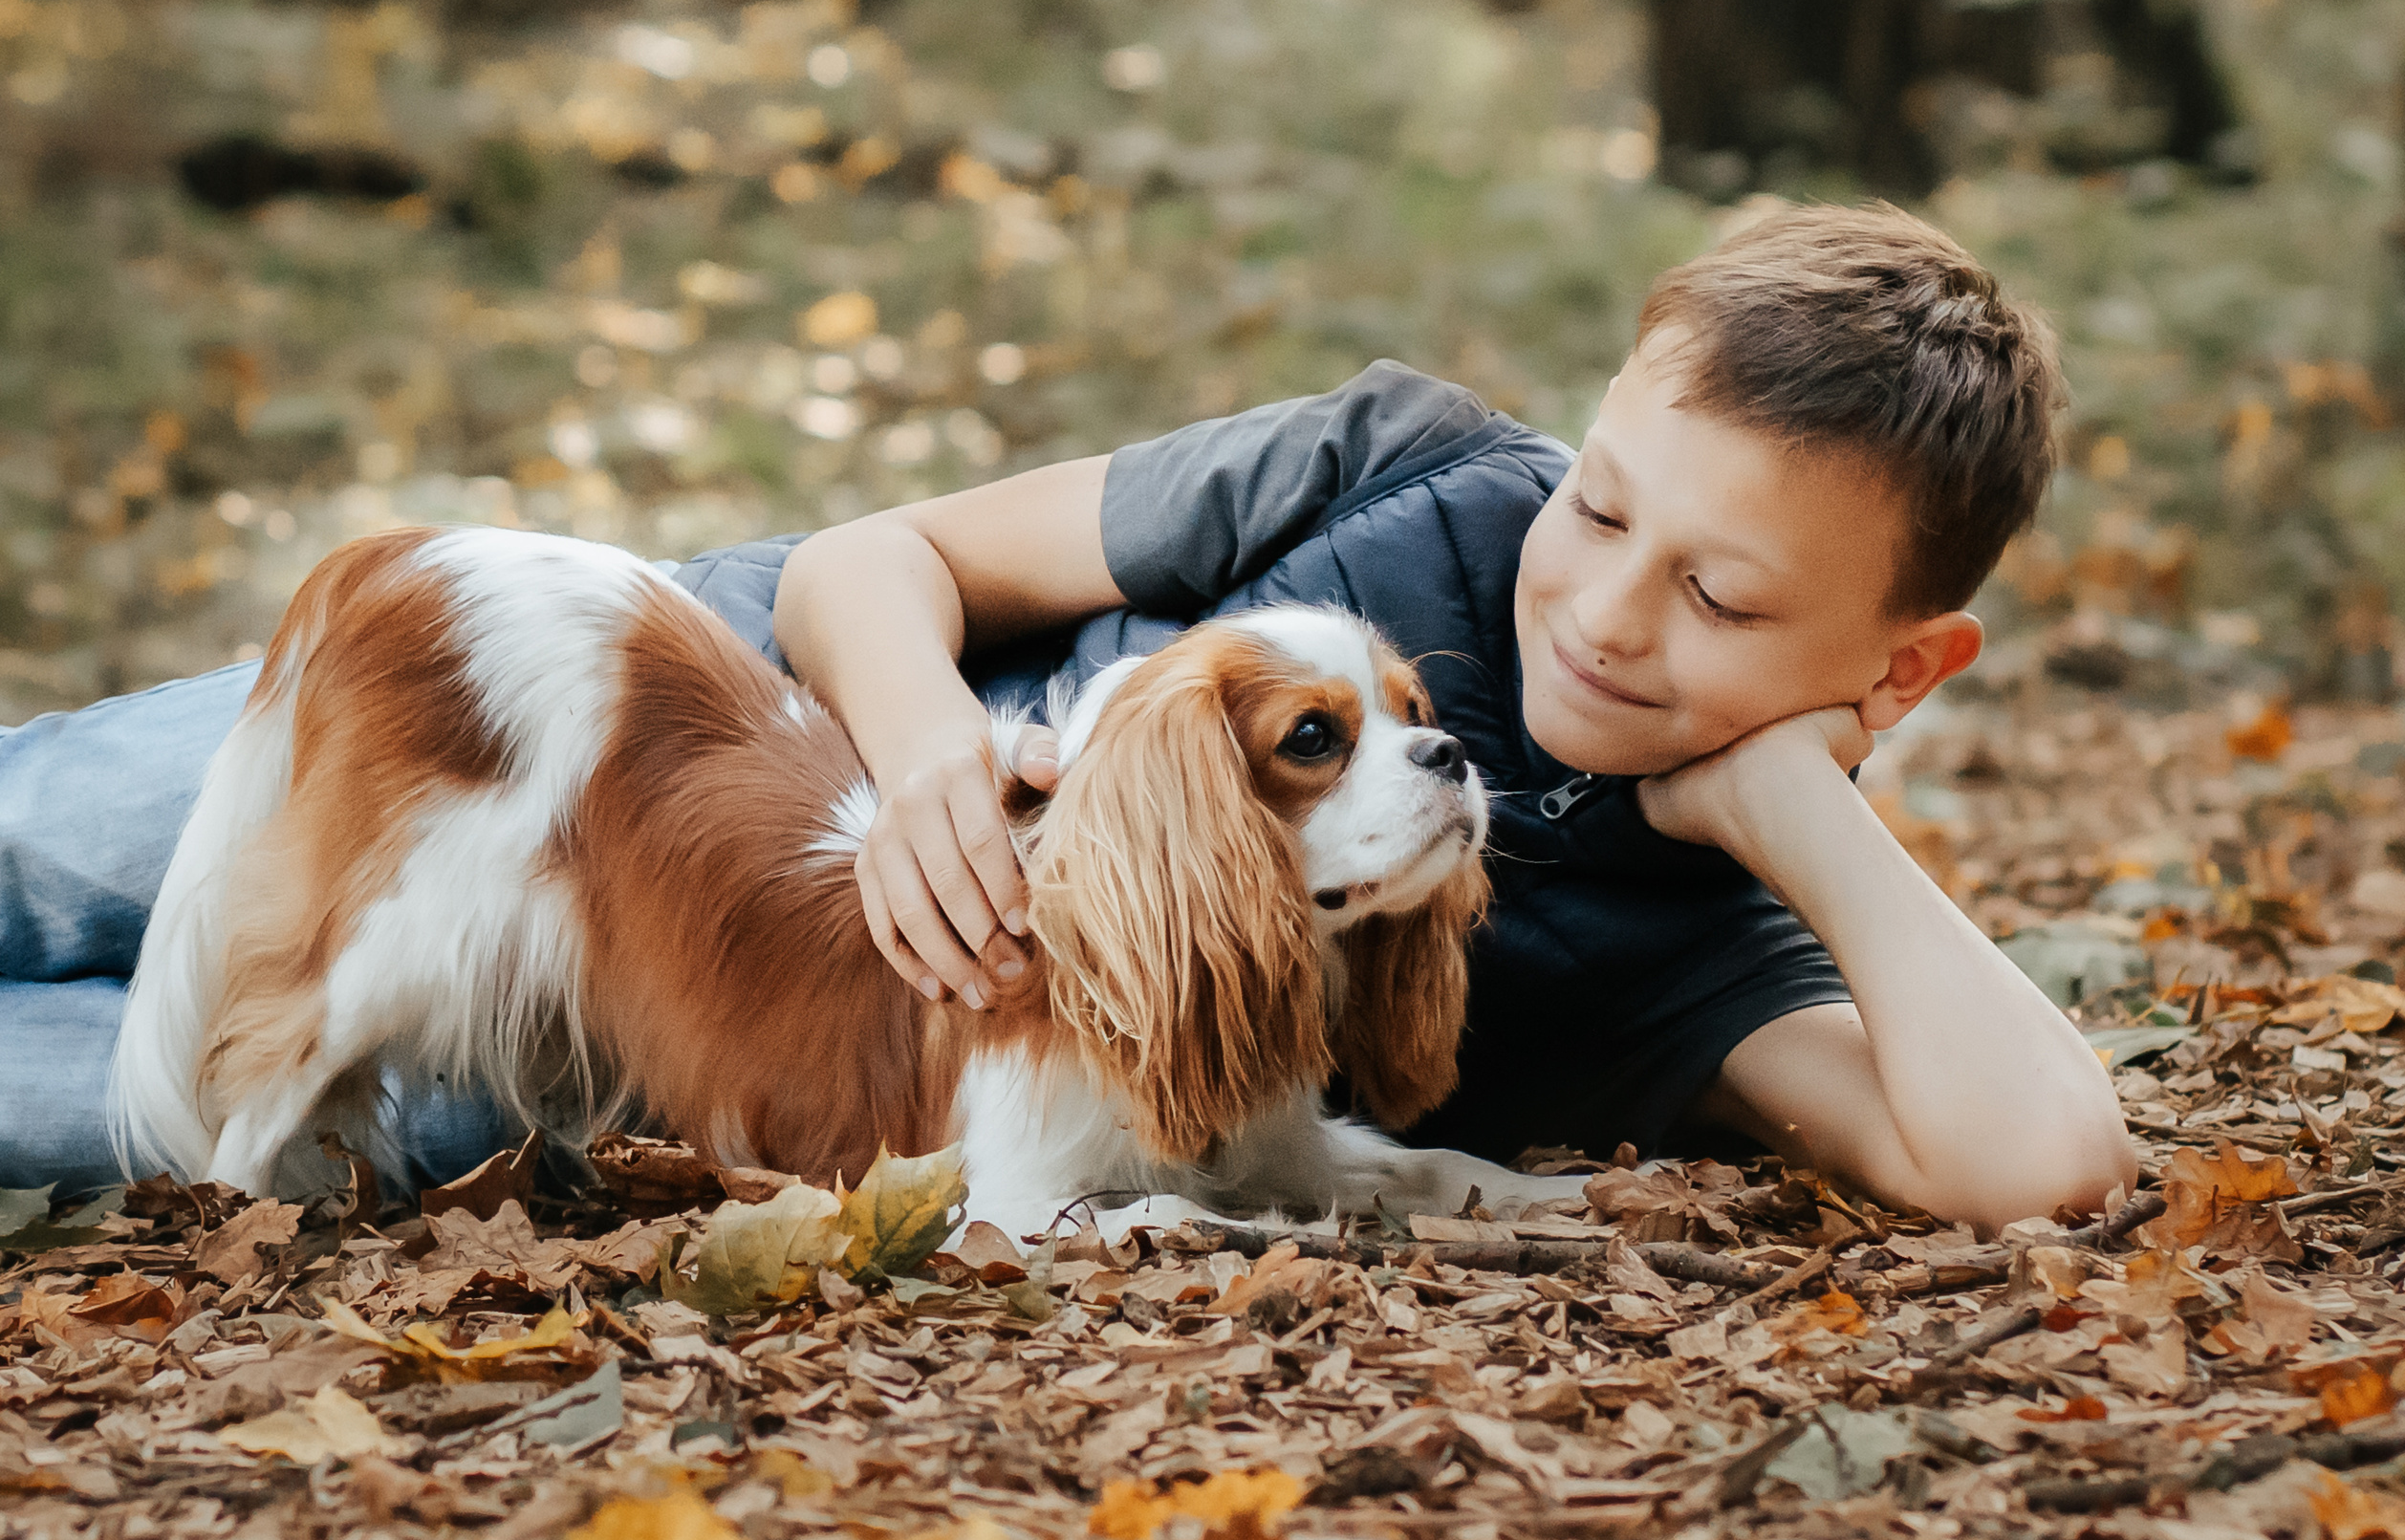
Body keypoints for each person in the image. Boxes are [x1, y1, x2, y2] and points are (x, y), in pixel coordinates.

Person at [0, 202, 2133, 1223]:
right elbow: (874, 560)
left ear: (1894, 663)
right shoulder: (1405, 467)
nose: (1604, 605)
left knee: (128, 1100)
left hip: (683, 1049)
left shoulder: (1705, 945)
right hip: (651, 733)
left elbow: (2037, 1161)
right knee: (50, 839)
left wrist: (1792, 802)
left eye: (1724, 598)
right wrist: (930, 752)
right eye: (1600, 503)